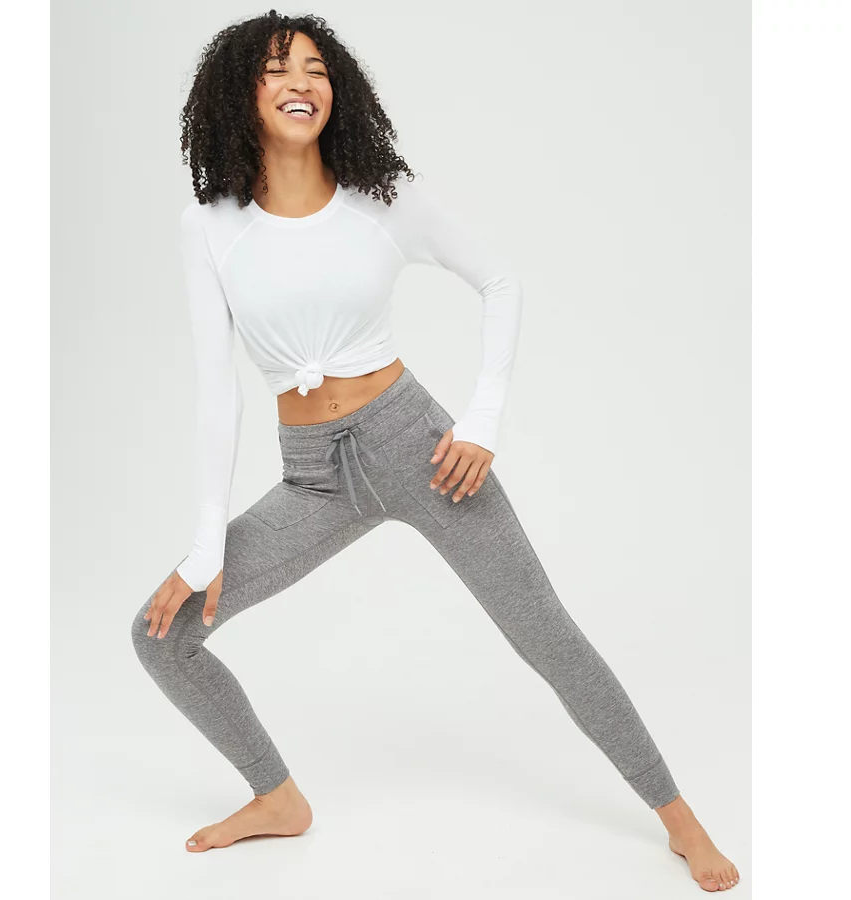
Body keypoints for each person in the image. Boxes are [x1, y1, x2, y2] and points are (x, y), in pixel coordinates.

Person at [130, 11, 739, 892]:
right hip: (312, 476)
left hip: (419, 447)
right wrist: (205, 545)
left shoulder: (380, 199)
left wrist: (483, 420)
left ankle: (679, 819)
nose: (301, 83)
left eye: (316, 69)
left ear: (337, 91)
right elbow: (216, 390)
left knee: (549, 638)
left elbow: (500, 281)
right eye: (277, 69)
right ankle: (277, 798)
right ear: (239, 94)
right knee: (161, 637)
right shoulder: (211, 226)